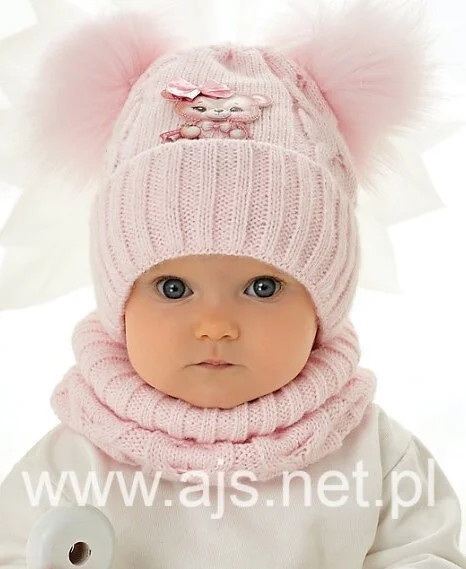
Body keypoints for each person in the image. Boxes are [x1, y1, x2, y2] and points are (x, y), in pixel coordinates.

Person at [0, 1, 465, 566]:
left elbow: (425, 553)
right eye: (173, 288)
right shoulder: (78, 458)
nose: (215, 325)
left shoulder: (371, 455)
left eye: (263, 287)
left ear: (325, 305)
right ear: (118, 308)